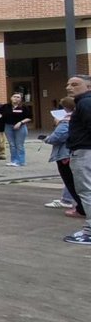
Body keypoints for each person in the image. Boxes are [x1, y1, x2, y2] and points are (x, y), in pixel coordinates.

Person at [64, 75, 91, 244]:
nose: (69, 87)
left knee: (87, 191)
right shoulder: (83, 103)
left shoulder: (85, 103)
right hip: (83, 151)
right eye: (68, 84)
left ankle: (89, 232)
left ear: (88, 87)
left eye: (75, 84)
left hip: (84, 153)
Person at [45, 98, 81, 218]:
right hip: (77, 152)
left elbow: (58, 136)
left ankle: (80, 208)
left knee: (71, 181)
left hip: (66, 154)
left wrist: (47, 139)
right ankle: (68, 200)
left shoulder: (66, 120)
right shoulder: (80, 117)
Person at [0, 92, 32, 167]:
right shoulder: (6, 106)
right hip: (8, 127)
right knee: (12, 144)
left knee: (19, 144)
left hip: (20, 127)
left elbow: (29, 117)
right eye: (14, 96)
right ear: (11, 98)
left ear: (21, 99)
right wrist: (1, 119)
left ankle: (21, 161)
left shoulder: (24, 107)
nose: (16, 98)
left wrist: (20, 123)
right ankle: (13, 160)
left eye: (18, 97)